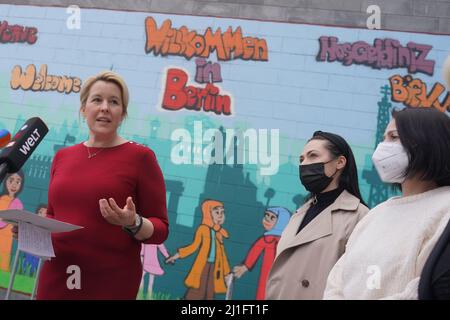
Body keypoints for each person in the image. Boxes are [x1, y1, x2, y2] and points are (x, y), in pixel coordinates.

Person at [25, 71, 169, 299]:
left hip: (109, 283)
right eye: (97, 100)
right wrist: (33, 230)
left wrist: (133, 222)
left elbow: (161, 229)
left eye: (114, 102)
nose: (105, 108)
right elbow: (54, 215)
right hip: (57, 276)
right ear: (83, 109)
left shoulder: (141, 157)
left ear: (122, 114)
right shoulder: (63, 156)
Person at [324, 107, 450, 300]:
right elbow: (337, 278)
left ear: (427, 141)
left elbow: (424, 287)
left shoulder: (444, 210)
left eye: (394, 137)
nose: (383, 147)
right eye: (384, 138)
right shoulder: (378, 213)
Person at [266, 131, 368, 299]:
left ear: (340, 162)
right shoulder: (301, 211)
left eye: (313, 156)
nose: (305, 164)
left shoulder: (359, 216)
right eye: (301, 159)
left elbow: (358, 283)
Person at [165, 200, 231, 300]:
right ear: (208, 213)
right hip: (203, 266)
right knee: (197, 291)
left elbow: (222, 255)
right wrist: (176, 256)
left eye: (222, 212)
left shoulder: (219, 233)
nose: (220, 215)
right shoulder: (203, 229)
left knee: (210, 292)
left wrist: (226, 273)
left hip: (214, 268)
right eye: (217, 212)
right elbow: (193, 246)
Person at [233, 207, 291, 300]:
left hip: (280, 275)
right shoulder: (266, 239)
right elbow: (254, 252)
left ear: (281, 221)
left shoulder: (286, 241)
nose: (267, 219)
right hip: (267, 274)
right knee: (263, 293)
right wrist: (245, 266)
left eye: (272, 217)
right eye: (266, 215)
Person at [0, 170, 24, 272]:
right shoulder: (1, 198)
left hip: (6, 236)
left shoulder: (17, 203)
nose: (14, 184)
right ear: (5, 181)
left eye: (18, 182)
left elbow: (5, 221)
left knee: (3, 255)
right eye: (11, 180)